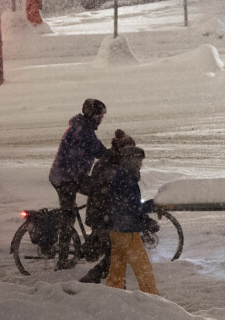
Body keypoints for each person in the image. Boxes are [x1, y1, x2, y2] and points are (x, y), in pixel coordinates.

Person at [48, 98, 107, 270]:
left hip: (70, 176)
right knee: (70, 214)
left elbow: (97, 151)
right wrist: (116, 156)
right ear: (91, 115)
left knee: (95, 193)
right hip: (66, 179)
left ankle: (94, 233)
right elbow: (99, 151)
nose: (101, 119)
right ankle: (63, 258)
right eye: (99, 115)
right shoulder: (83, 131)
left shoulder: (82, 127)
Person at [78, 129, 134, 284]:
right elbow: (108, 192)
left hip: (105, 213)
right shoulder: (109, 164)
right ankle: (95, 277)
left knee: (116, 250)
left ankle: (111, 280)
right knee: (117, 251)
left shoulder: (114, 160)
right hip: (102, 214)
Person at [105, 146, 160, 295]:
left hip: (116, 230)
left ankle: (111, 296)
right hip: (127, 231)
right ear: (130, 161)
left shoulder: (118, 176)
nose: (141, 164)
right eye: (139, 161)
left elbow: (125, 207)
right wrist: (152, 205)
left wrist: (144, 218)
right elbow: (132, 208)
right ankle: (154, 300)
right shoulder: (127, 180)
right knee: (144, 270)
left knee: (117, 270)